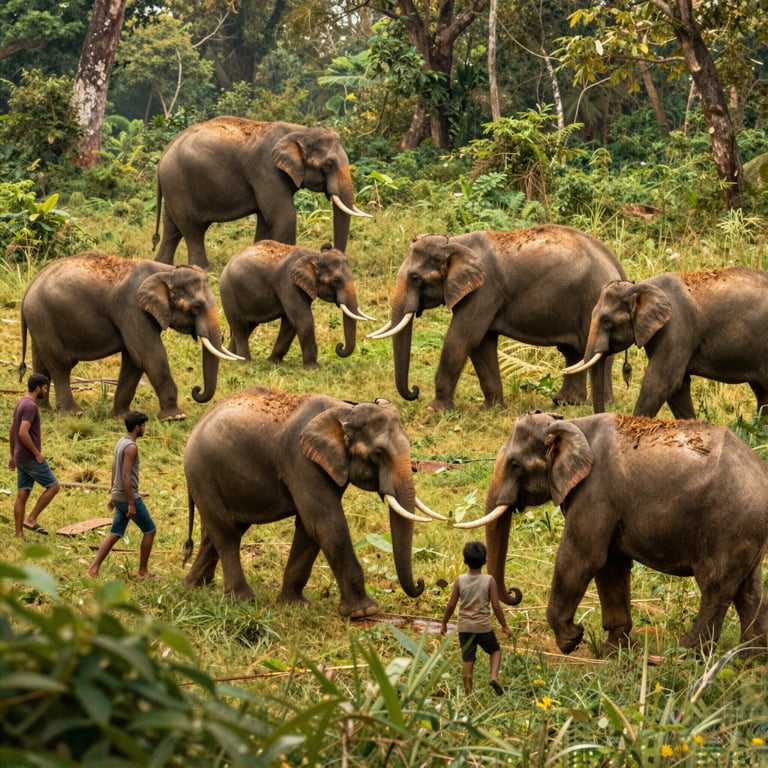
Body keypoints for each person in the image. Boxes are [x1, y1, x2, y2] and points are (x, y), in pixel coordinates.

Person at [87, 410, 156, 579]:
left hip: (119, 494)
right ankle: (142, 572)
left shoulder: (121, 442)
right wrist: (131, 503)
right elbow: (125, 475)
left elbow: (114, 469)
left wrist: (113, 493)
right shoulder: (131, 447)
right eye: (143, 426)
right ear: (137, 427)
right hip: (127, 495)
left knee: (115, 532)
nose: (145, 428)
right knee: (150, 530)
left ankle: (93, 569)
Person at [441, 540, 511, 695]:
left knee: (467, 659)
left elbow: (451, 605)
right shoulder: (489, 580)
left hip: (465, 627)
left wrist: (444, 623)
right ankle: (493, 677)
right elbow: (496, 606)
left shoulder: (460, 580)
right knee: (495, 651)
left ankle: (468, 694)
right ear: (485, 561)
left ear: (464, 561)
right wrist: (504, 626)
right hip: (483, 628)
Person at [9, 373, 60, 538]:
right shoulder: (30, 406)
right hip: (30, 458)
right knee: (53, 486)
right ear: (38, 388)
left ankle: (18, 534)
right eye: (45, 388)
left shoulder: (21, 403)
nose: (45, 391)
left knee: (22, 494)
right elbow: (23, 432)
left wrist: (12, 454)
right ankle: (31, 519)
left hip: (20, 457)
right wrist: (37, 453)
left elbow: (12, 430)